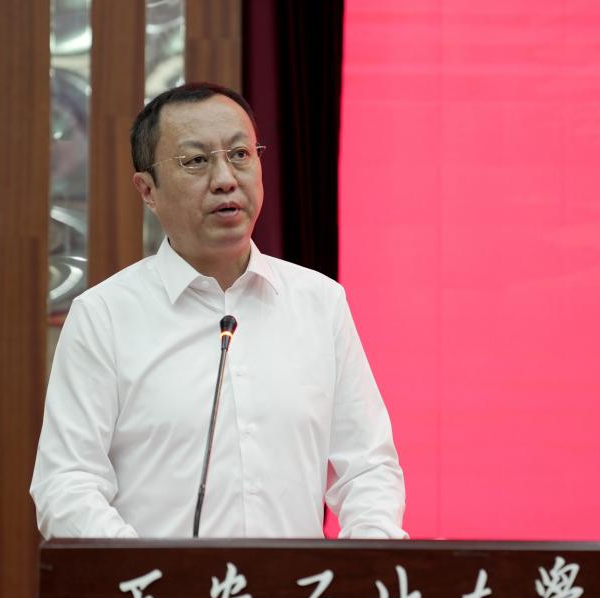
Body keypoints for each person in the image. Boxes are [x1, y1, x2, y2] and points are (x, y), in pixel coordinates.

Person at [30, 82, 406, 539]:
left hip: (297, 586)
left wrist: (363, 561)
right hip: (155, 585)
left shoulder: (320, 303)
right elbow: (67, 482)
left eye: (240, 154)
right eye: (196, 160)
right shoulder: (104, 316)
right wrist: (146, 570)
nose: (226, 179)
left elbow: (367, 468)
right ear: (147, 190)